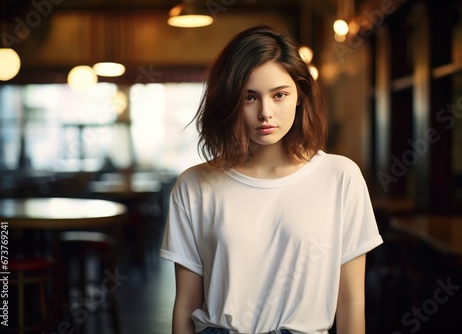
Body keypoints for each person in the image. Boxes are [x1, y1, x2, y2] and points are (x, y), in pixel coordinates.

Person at [160, 25, 383, 334]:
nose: (266, 112)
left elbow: (350, 302)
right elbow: (185, 304)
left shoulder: (340, 177)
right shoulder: (195, 185)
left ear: (300, 95)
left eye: (279, 95)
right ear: (229, 102)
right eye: (249, 97)